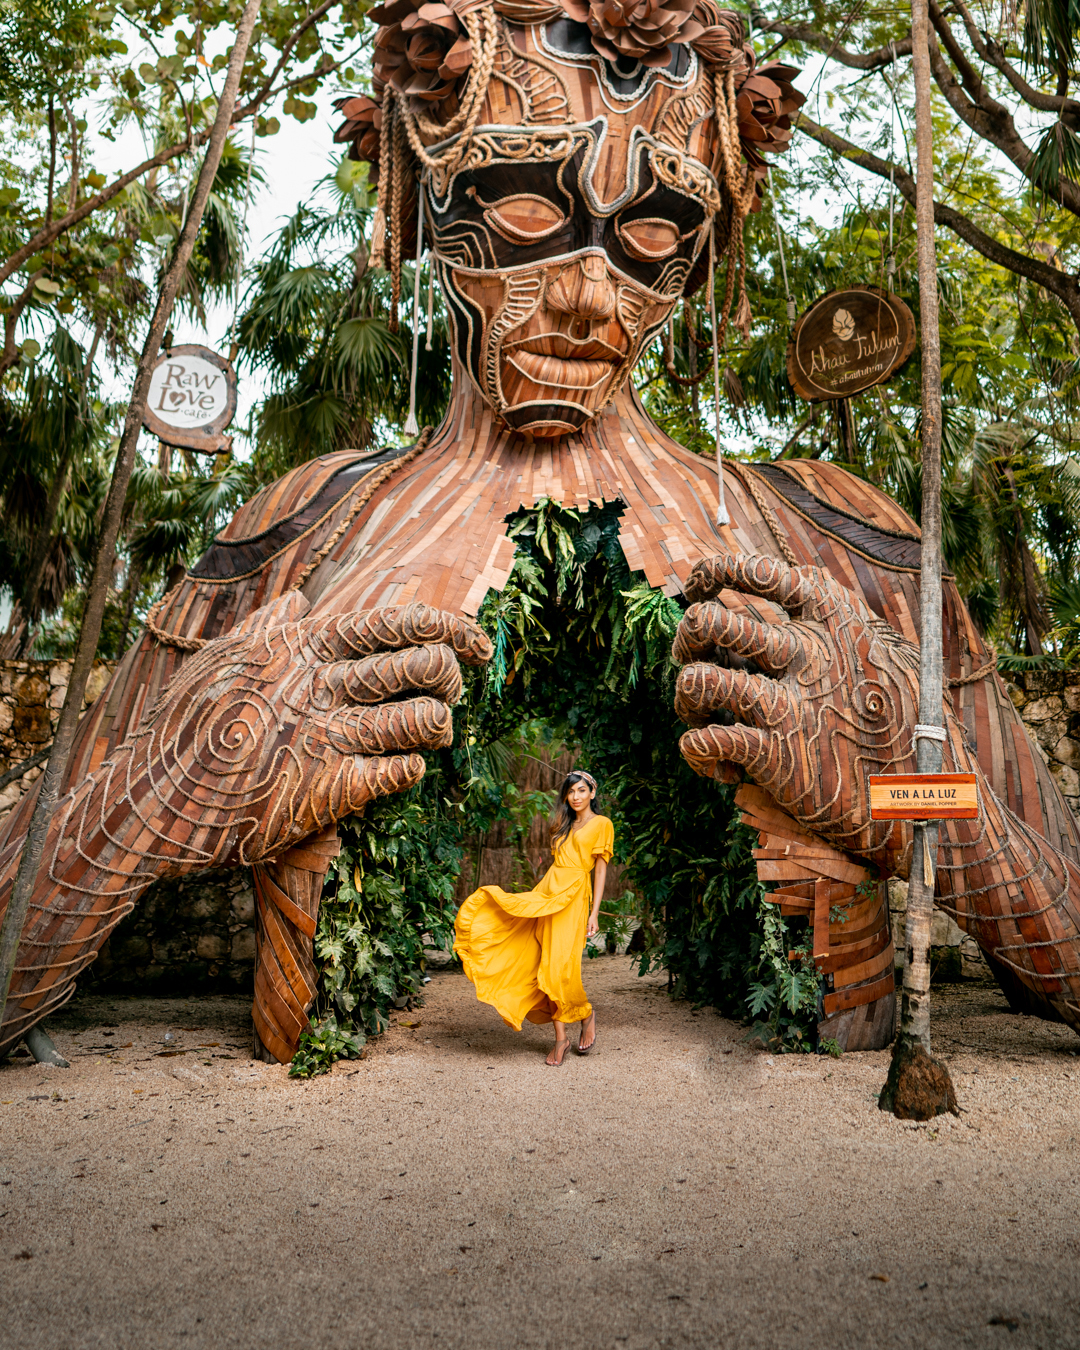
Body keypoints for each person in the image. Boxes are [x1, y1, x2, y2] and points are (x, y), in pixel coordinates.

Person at [454, 770, 612, 1067]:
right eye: (571, 792)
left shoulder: (602, 824)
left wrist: (595, 913)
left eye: (581, 790)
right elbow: (556, 866)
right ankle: (561, 1039)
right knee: (542, 963)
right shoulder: (564, 826)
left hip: (575, 897)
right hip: (549, 892)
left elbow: (600, 870)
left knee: (560, 969)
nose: (576, 797)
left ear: (592, 792)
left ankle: (585, 1012)